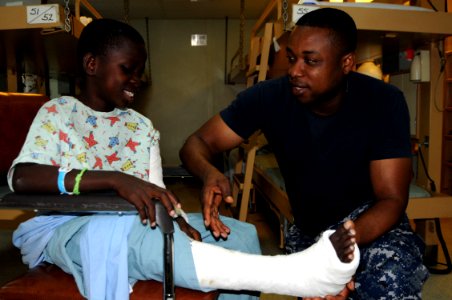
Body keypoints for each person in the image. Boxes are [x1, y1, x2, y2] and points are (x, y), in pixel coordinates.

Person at [8, 18, 359, 300]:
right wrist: (115, 179)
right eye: (128, 69)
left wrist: (176, 219)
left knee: (240, 234)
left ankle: (288, 274)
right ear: (91, 64)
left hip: (139, 221)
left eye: (140, 71)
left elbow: (156, 190)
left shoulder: (141, 127)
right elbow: (22, 178)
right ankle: (297, 276)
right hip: (71, 227)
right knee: (149, 242)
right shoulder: (59, 113)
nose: (137, 80)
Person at [180, 7, 429, 299]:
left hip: (370, 222)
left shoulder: (383, 102)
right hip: (311, 229)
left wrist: (335, 256)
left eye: (311, 61)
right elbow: (196, 143)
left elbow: (391, 199)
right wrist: (210, 173)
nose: (295, 70)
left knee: (389, 283)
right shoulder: (268, 98)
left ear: (346, 63)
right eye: (292, 58)